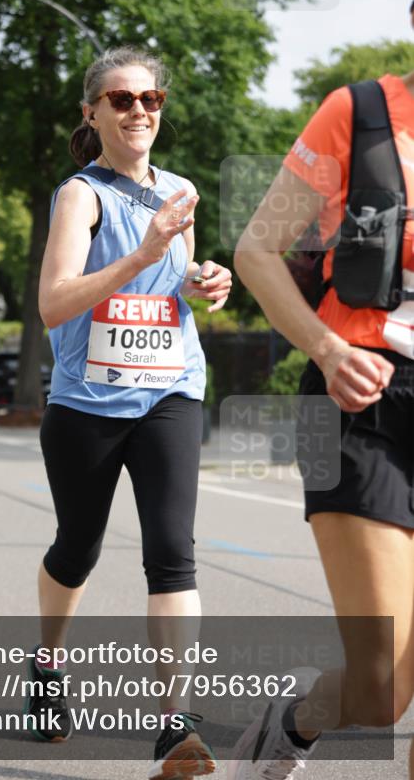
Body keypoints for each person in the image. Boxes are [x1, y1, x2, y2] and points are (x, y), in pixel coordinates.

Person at [27, 46, 232, 779]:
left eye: (151, 99)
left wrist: (207, 282)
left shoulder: (178, 190)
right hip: (86, 402)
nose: (138, 110)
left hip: (169, 391)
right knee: (76, 547)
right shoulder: (79, 195)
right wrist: (142, 252)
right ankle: (46, 665)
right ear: (92, 112)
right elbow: (55, 302)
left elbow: (174, 290)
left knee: (172, 553)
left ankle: (173, 725)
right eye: (120, 99)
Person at [230, 43, 414, 777]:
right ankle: (293, 721)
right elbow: (257, 249)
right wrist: (327, 349)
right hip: (359, 400)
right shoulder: (359, 113)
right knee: (380, 690)